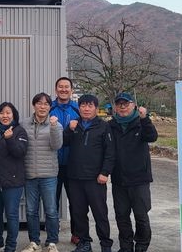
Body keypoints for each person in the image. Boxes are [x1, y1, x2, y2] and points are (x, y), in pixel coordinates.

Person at [63, 94, 115, 252]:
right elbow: (63, 143)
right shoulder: (74, 124)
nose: (86, 109)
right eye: (83, 105)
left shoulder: (104, 126)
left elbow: (110, 152)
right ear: (79, 108)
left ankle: (105, 244)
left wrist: (105, 172)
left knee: (100, 213)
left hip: (95, 178)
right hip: (75, 177)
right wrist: (69, 129)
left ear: (96, 108)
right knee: (78, 213)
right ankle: (84, 242)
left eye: (90, 105)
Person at [108, 92, 158, 252]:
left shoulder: (140, 122)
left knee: (141, 216)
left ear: (133, 105)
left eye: (126, 103)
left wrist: (145, 119)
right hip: (119, 179)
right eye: (119, 104)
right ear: (115, 107)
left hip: (139, 179)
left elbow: (152, 136)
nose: (122, 106)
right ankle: (126, 246)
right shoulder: (111, 125)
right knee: (121, 216)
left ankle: (142, 246)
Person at [0, 102, 28, 252]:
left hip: (13, 180)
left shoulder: (19, 131)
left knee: (11, 214)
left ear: (13, 115)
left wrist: (9, 139)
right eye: (2, 113)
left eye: (8, 113)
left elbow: (20, 153)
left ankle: (10, 246)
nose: (5, 116)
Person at [21, 93, 63, 252]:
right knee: (31, 210)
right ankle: (34, 242)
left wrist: (53, 127)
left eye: (46, 104)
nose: (42, 106)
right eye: (39, 103)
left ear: (50, 107)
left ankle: (52, 241)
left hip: (49, 175)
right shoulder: (24, 123)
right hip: (30, 174)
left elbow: (57, 145)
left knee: (51, 210)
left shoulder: (56, 125)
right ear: (34, 105)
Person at [49, 77, 80, 246]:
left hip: (73, 163)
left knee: (76, 202)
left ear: (71, 90)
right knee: (51, 202)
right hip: (52, 163)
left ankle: (77, 234)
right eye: (60, 87)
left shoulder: (78, 109)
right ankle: (52, 235)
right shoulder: (49, 108)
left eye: (66, 87)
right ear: (56, 90)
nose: (63, 89)